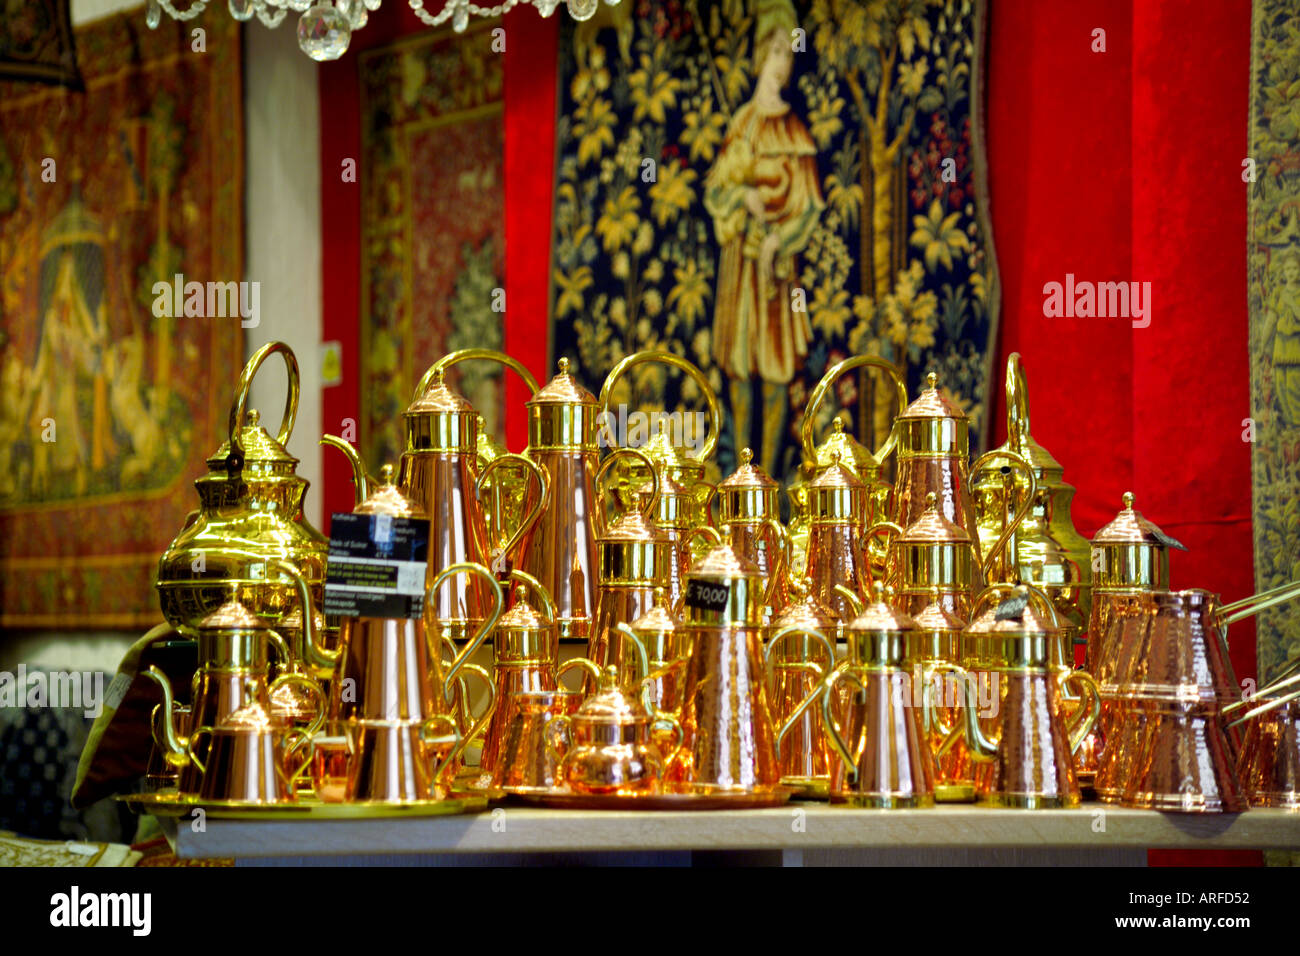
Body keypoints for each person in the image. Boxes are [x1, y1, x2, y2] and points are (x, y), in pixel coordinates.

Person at [704, 0, 824, 477]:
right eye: (775, 51)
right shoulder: (741, 125)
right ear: (760, 55)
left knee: (774, 367)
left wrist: (781, 239)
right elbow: (716, 191)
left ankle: (769, 479)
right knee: (738, 364)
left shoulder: (793, 129)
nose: (782, 62)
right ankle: (738, 477)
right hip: (739, 261)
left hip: (775, 267)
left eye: (787, 53)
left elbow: (809, 203)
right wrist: (742, 200)